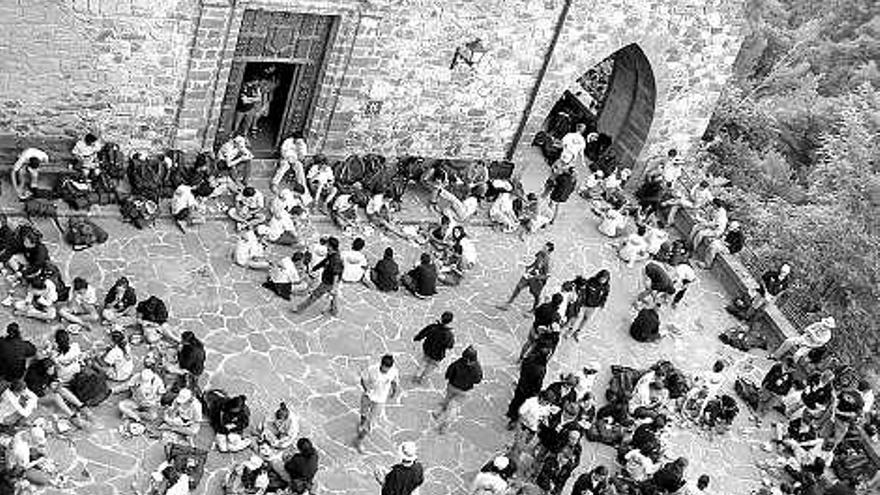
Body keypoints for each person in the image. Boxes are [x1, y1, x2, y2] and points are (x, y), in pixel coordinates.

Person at [355, 354, 400, 453]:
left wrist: (394, 391)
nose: (386, 370)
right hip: (368, 396)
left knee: (371, 423)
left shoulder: (393, 371)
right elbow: (362, 379)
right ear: (381, 364)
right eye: (384, 368)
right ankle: (361, 424)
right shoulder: (372, 369)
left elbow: (394, 381)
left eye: (388, 368)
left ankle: (359, 441)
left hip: (380, 400)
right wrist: (366, 389)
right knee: (363, 413)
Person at [433, 345, 483, 433]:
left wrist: (448, 377)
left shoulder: (458, 362)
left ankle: (440, 411)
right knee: (453, 407)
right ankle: (445, 424)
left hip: (453, 386)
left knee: (447, 398)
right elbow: (477, 380)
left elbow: (450, 371)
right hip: (465, 390)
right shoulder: (477, 368)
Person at [293, 236, 343, 316]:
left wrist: (334, 287)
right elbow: (325, 261)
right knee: (334, 296)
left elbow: (336, 274)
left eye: (327, 244)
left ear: (330, 246)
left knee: (315, 295)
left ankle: (299, 308)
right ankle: (334, 311)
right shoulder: (331, 253)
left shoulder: (335, 259)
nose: (326, 245)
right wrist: (315, 268)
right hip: (331, 281)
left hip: (328, 282)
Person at [499, 242, 554, 311]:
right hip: (532, 273)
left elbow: (547, 276)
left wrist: (536, 277)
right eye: (543, 247)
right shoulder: (540, 253)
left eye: (545, 248)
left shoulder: (549, 262)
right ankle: (508, 303)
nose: (542, 248)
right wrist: (529, 267)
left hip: (539, 280)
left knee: (535, 295)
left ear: (549, 252)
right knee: (519, 286)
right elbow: (536, 261)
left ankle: (534, 309)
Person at [506, 347, 550, 428]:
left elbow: (522, 369)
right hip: (529, 390)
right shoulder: (541, 369)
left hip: (522, 384)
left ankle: (510, 412)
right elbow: (538, 383)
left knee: (516, 399)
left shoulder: (528, 359)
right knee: (522, 404)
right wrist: (536, 393)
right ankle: (514, 420)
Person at [535, 429, 582, 495]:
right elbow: (543, 476)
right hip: (542, 486)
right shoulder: (550, 461)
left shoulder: (577, 449)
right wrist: (549, 488)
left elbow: (561, 483)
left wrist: (555, 492)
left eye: (576, 439)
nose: (574, 441)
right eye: (572, 438)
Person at [412, 312, 455, 384]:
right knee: (430, 368)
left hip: (427, 350)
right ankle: (422, 378)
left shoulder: (433, 327)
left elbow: (422, 333)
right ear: (450, 322)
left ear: (441, 318)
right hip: (437, 355)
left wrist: (417, 338)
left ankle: (416, 377)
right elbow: (450, 346)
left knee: (423, 363)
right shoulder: (449, 335)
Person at [567, 270, 610, 341]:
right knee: (577, 317)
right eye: (602, 278)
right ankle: (570, 331)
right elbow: (583, 288)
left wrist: (602, 304)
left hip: (593, 307)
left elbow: (605, 296)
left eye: (605, 279)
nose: (602, 280)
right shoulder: (591, 281)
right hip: (584, 304)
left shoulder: (606, 287)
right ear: (599, 276)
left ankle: (578, 332)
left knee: (586, 320)